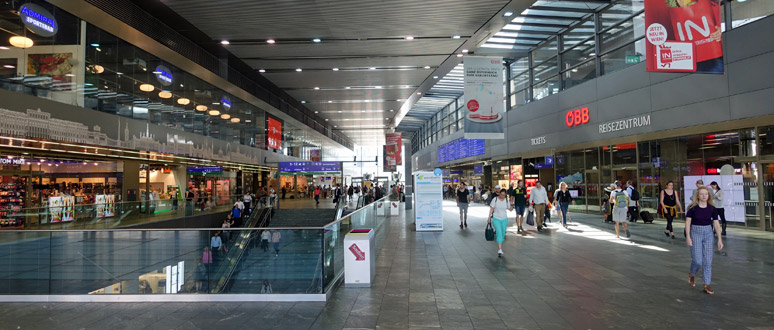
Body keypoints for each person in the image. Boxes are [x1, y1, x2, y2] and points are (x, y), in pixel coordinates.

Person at [686, 186, 724, 295]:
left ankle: (706, 284)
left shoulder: (712, 208)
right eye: (701, 194)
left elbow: (716, 224)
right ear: (697, 195)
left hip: (708, 233)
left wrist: (719, 239)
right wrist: (688, 236)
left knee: (708, 260)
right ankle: (692, 274)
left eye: (706, 194)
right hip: (695, 233)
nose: (704, 196)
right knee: (697, 260)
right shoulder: (692, 208)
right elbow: (688, 223)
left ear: (709, 196)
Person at [488, 189, 514, 257]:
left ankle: (500, 244)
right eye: (501, 194)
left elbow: (510, 209)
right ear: (499, 194)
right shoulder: (495, 199)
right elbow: (491, 208)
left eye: (504, 195)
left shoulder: (506, 200)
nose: (502, 196)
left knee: (502, 233)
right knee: (499, 232)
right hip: (496, 218)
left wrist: (512, 205)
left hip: (504, 219)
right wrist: (489, 218)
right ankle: (500, 249)